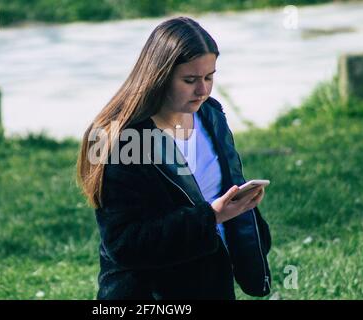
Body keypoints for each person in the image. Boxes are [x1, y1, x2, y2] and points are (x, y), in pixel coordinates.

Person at [77, 16, 272, 300]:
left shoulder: (211, 116)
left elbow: (225, 188)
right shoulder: (122, 140)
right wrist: (212, 217)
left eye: (209, 77)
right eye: (190, 80)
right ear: (159, 77)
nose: (203, 90)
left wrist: (244, 214)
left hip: (211, 285)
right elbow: (124, 244)